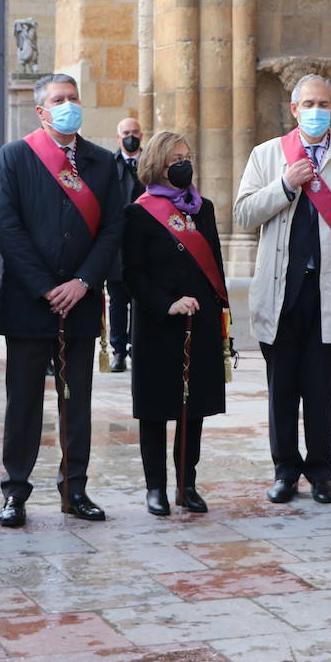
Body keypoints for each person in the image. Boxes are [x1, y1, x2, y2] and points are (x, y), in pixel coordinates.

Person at [233, 74, 331, 504]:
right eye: (308, 104)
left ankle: (320, 472)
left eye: (324, 104)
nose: (316, 111)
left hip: (329, 291)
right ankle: (285, 470)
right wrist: (284, 185)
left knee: (320, 390)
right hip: (280, 292)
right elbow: (243, 213)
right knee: (282, 388)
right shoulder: (266, 155)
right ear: (294, 109)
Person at [0, 73, 125, 527]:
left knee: (76, 400)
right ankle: (15, 491)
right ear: (41, 110)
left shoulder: (102, 162)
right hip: (30, 302)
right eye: (59, 99)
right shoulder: (16, 156)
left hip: (82, 302)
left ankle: (75, 488)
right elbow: (6, 226)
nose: (69, 105)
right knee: (23, 402)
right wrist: (48, 286)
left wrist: (83, 282)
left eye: (74, 98)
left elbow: (111, 231)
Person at [123, 130, 227, 515]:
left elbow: (213, 261)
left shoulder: (205, 209)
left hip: (199, 320)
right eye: (175, 159)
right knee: (155, 408)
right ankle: (156, 488)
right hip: (158, 321)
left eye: (187, 156)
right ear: (157, 165)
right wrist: (167, 303)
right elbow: (132, 274)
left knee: (192, 406)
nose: (184, 164)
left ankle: (187, 483)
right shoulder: (139, 211)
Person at [107, 117, 145, 372]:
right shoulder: (109, 164)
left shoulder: (151, 163)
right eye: (126, 132)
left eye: (135, 132)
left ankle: (138, 348)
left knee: (142, 301)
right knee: (118, 303)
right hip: (117, 247)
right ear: (118, 136)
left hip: (144, 245)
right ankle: (118, 351)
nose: (131, 136)